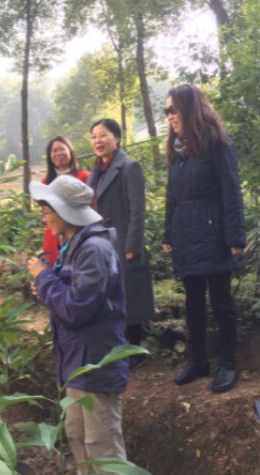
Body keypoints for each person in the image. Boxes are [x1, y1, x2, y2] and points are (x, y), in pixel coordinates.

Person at [27, 175, 128, 474]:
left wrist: (43, 277)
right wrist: (46, 285)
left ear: (65, 211)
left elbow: (77, 308)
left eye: (47, 209)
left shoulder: (93, 249)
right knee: (78, 437)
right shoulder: (75, 244)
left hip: (94, 362)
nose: (44, 216)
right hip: (76, 361)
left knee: (102, 446)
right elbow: (75, 292)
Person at [162, 85, 246, 393]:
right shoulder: (176, 150)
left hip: (213, 233)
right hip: (185, 233)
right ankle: (197, 360)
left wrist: (235, 237)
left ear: (190, 109)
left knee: (222, 302)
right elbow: (172, 196)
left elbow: (231, 191)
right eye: (166, 112)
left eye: (173, 110)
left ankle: (228, 363)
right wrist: (168, 233)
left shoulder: (217, 144)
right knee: (193, 302)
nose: (169, 117)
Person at [87, 118, 155, 368]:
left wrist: (132, 246)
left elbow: (137, 210)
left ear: (116, 137)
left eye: (103, 135)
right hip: (101, 244)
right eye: (94, 136)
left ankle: (135, 349)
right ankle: (116, 349)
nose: (98, 141)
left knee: (129, 297)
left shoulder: (128, 167)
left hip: (123, 240)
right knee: (109, 296)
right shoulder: (94, 173)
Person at [40, 136, 90, 267]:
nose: (58, 153)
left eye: (62, 149)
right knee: (52, 271)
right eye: (54, 151)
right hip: (53, 236)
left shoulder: (84, 176)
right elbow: (44, 212)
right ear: (49, 156)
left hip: (77, 233)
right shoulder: (45, 182)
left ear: (70, 151)